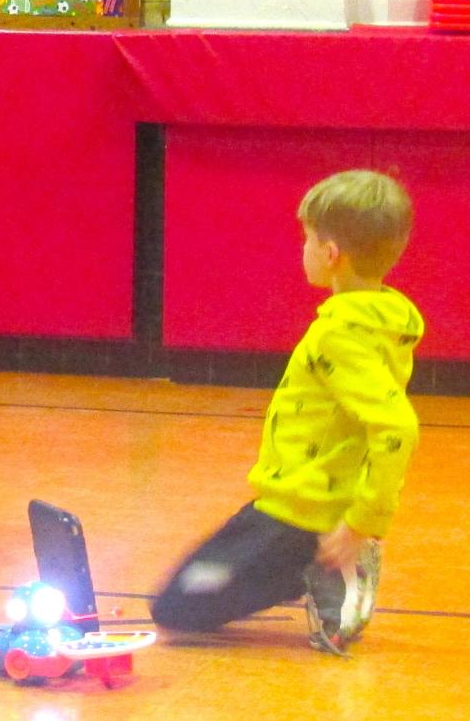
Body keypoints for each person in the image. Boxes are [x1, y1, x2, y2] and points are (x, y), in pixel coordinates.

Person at [150, 170, 423, 654]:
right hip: (289, 499)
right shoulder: (384, 321)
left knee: (176, 608)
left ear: (331, 253)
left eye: (307, 239)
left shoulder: (340, 334)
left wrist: (364, 520)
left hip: (299, 515)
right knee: (182, 594)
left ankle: (326, 567)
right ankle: (318, 564)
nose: (303, 249)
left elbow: (396, 426)